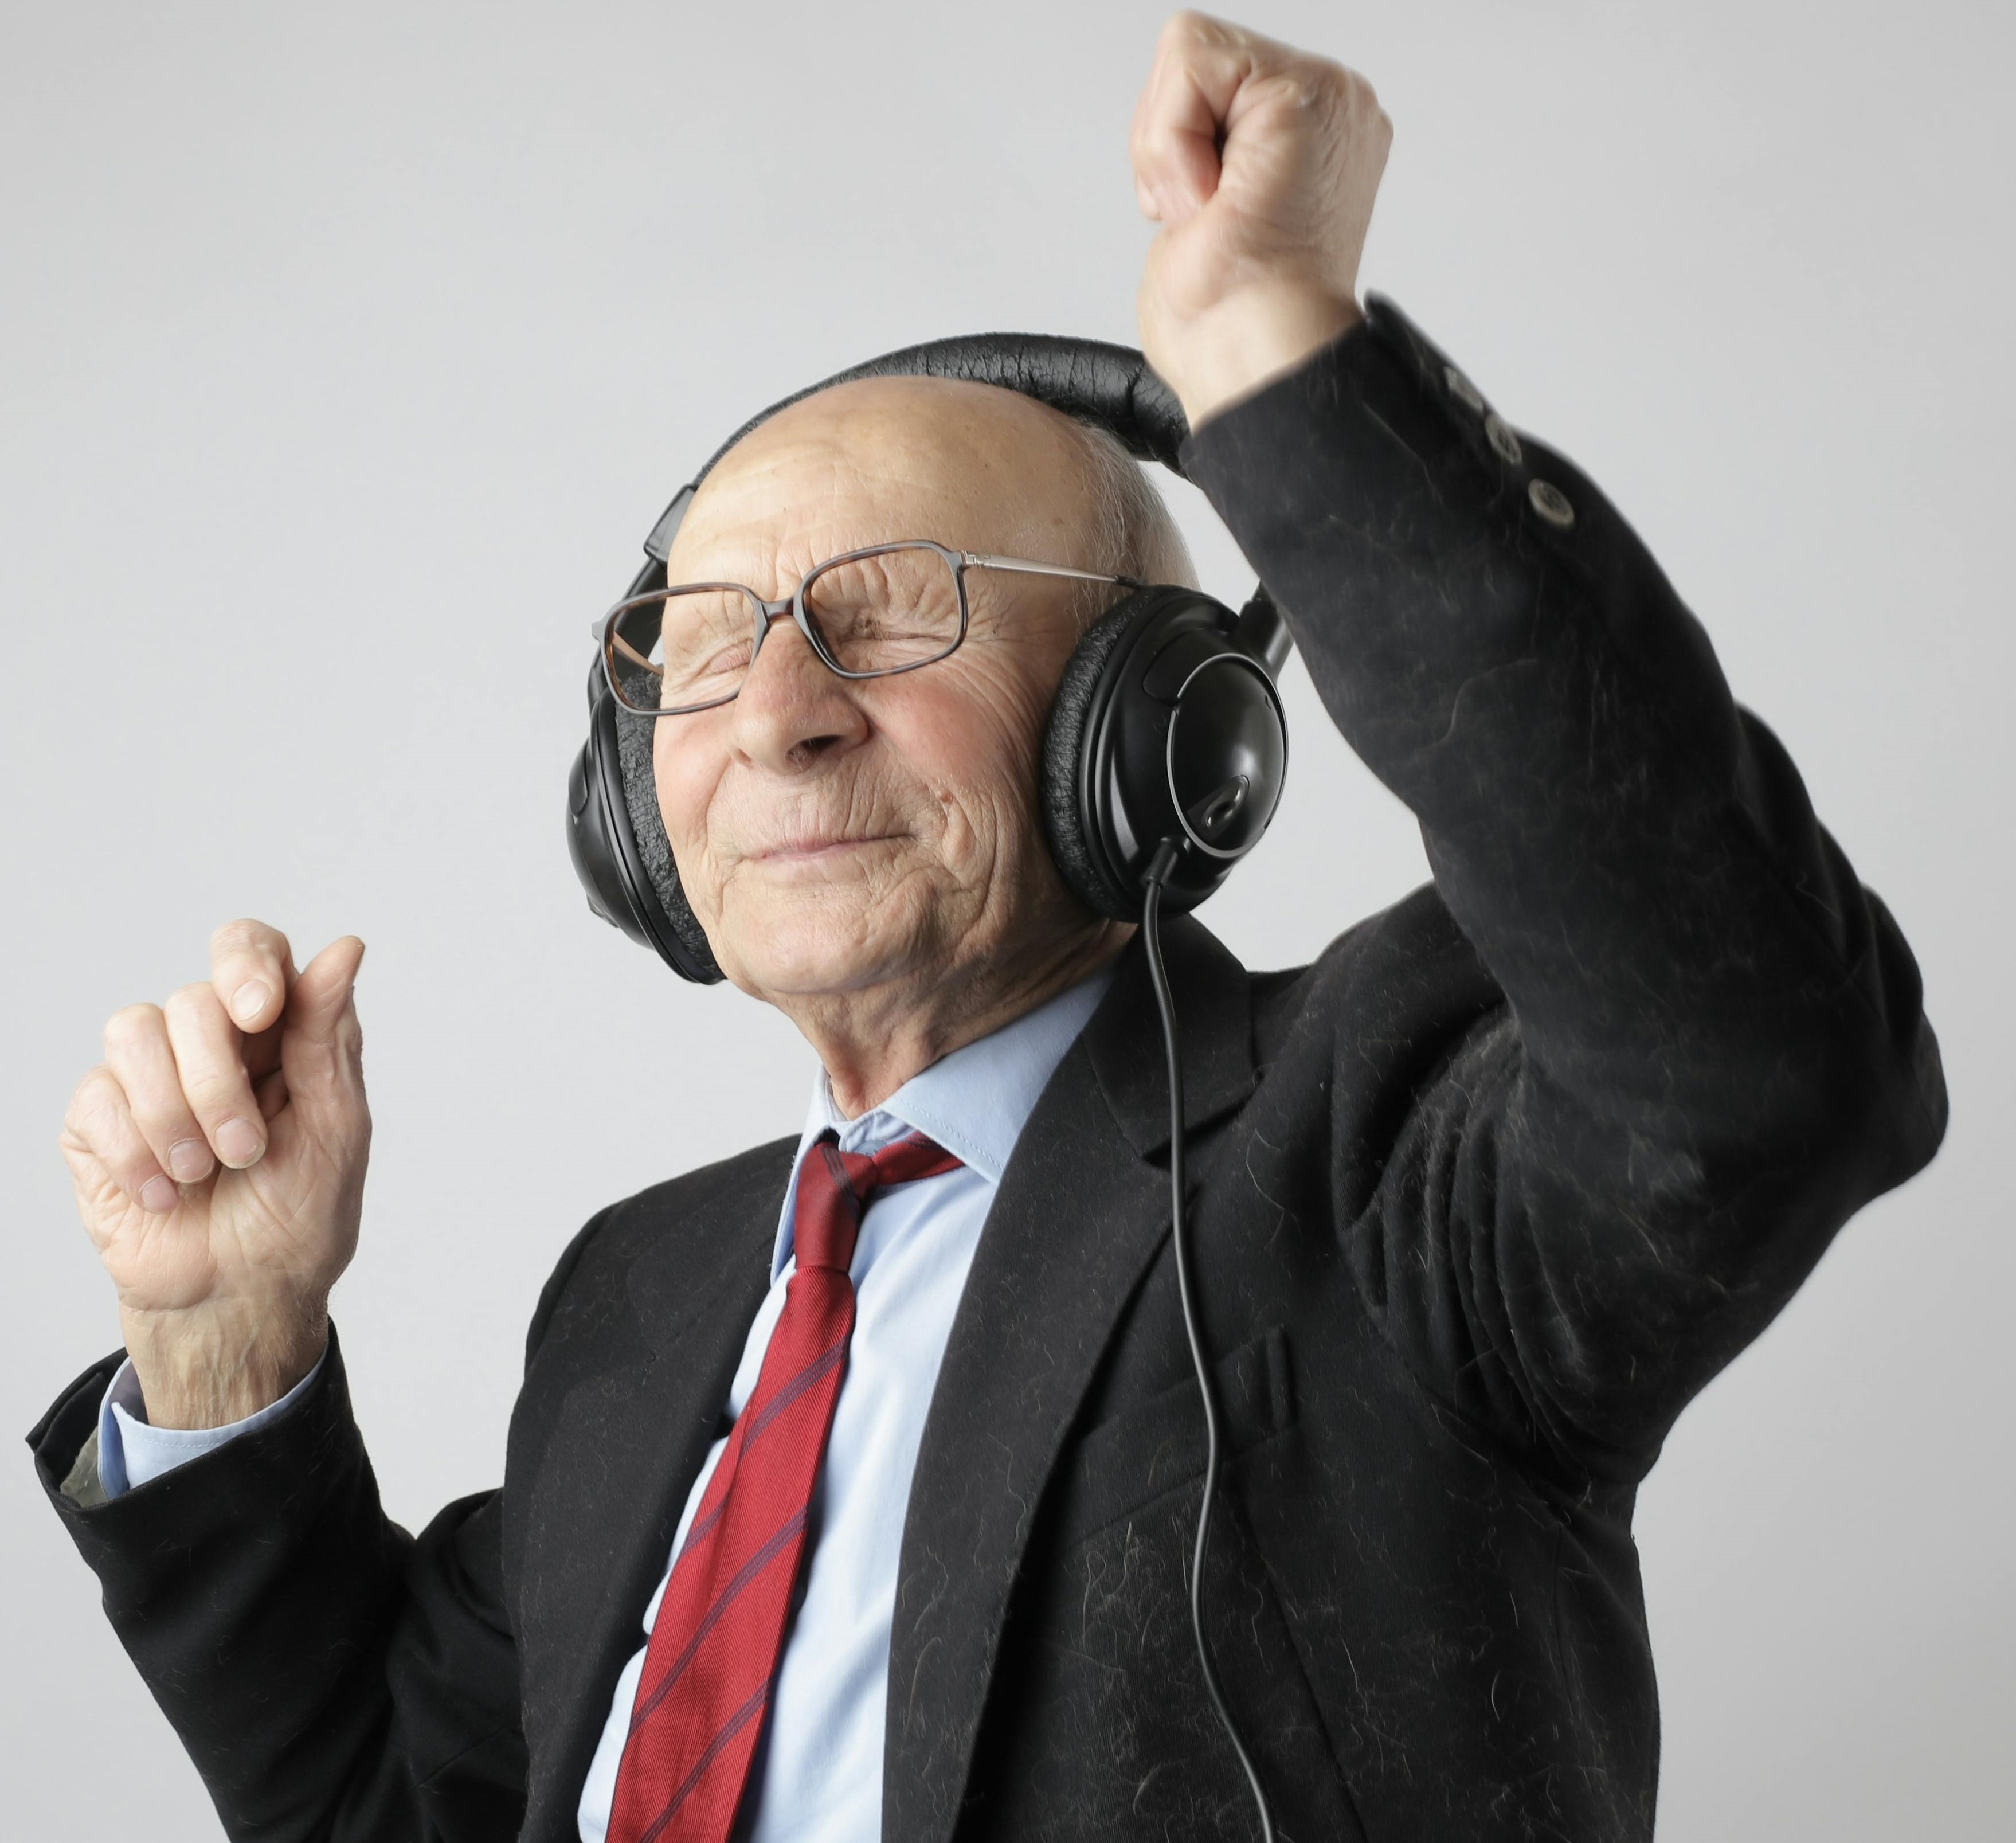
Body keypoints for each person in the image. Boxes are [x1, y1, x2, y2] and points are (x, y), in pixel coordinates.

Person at [30, 13, 1945, 1843]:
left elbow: (1758, 1067)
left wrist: (1283, 357)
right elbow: (394, 1807)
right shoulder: (639, 1296)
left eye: (893, 612)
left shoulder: (1378, 1146)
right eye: (703, 646)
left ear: (1158, 733)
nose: (777, 710)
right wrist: (225, 1350)